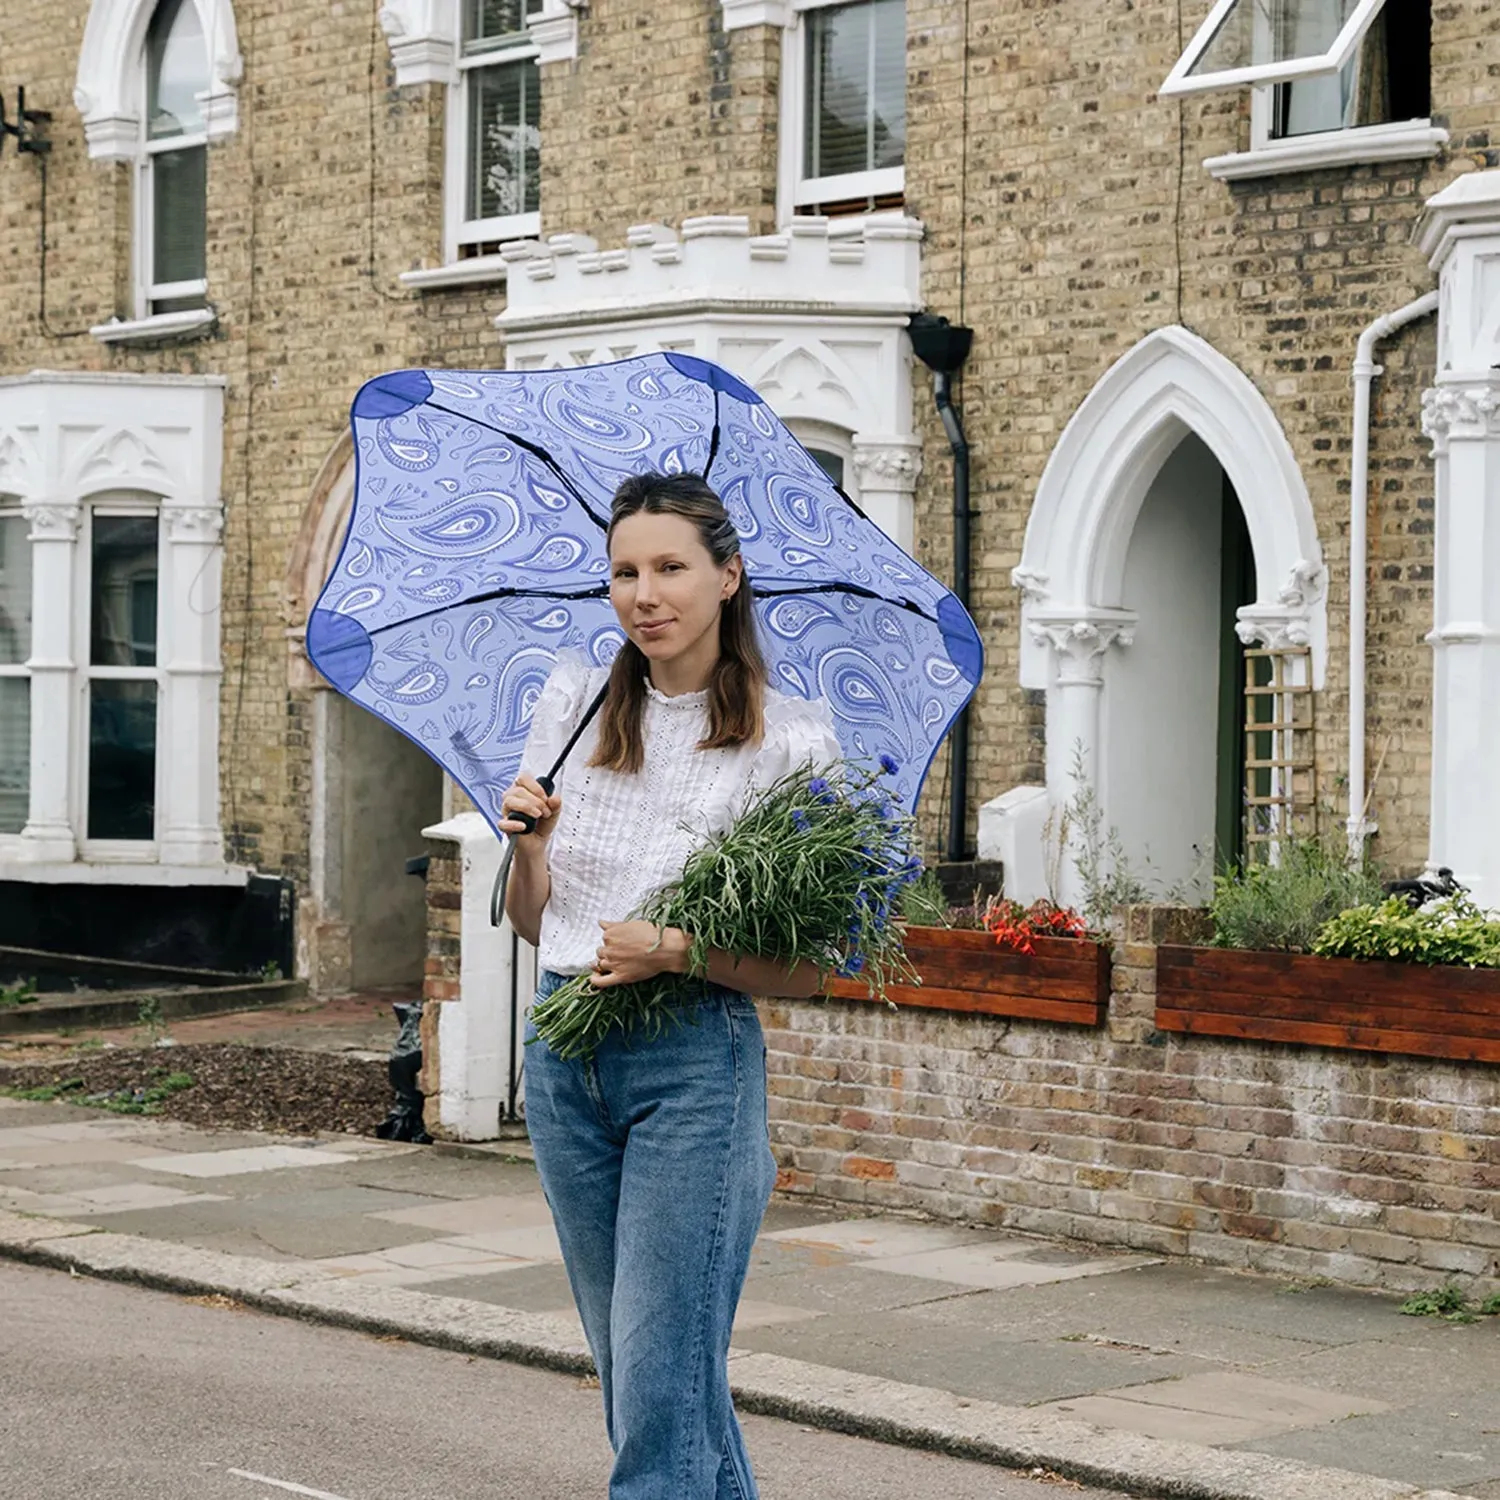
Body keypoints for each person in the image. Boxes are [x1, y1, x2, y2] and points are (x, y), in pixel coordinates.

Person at [500, 470, 840, 1500]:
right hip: (563, 1060)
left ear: (728, 576)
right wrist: (528, 848)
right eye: (623, 573)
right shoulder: (573, 709)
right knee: (647, 1373)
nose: (644, 594)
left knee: (658, 1377)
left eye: (669, 568)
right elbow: (532, 921)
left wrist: (674, 949)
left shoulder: (791, 744)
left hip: (692, 1064)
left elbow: (815, 972)